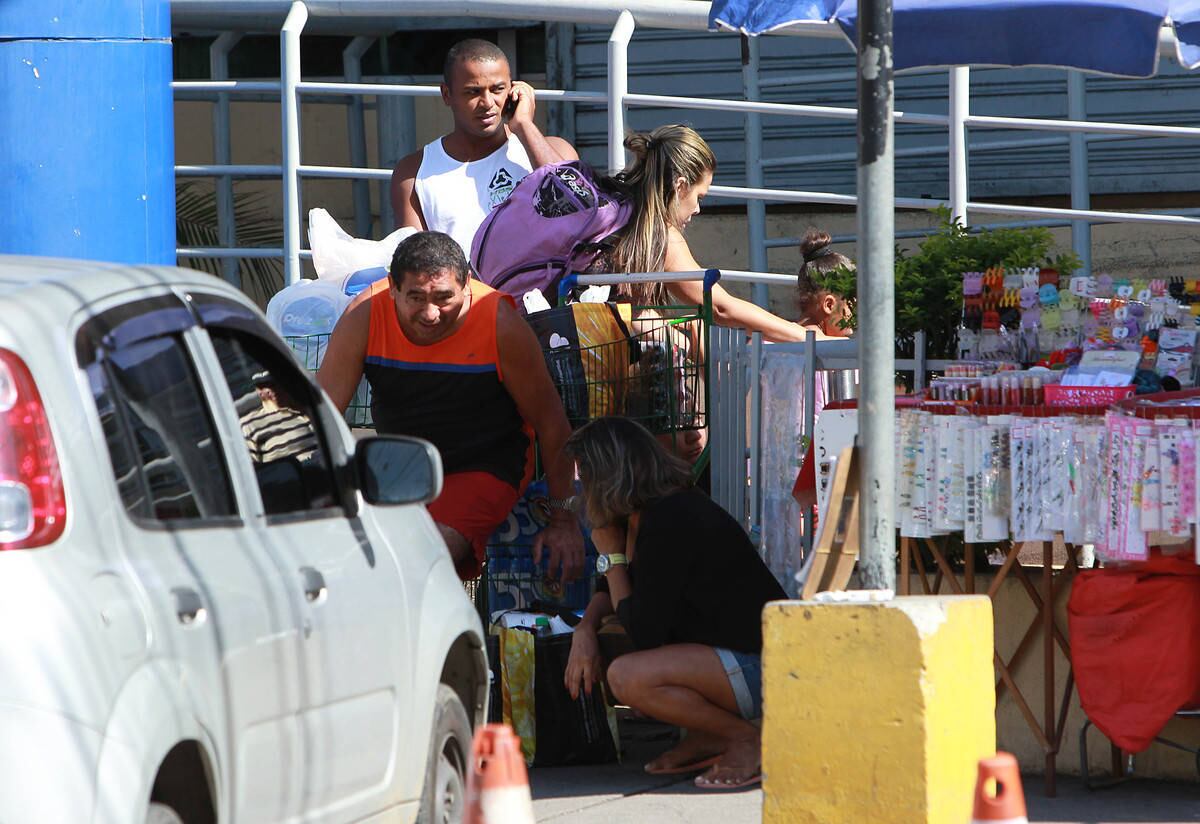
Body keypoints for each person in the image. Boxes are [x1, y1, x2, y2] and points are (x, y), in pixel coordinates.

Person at [316, 231, 584, 582]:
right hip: (401, 467)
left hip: (487, 464)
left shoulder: (500, 323)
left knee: (421, 559)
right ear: (392, 288)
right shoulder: (364, 314)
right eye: (415, 297)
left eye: (444, 298)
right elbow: (320, 417)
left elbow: (552, 424)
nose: (430, 313)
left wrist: (564, 519)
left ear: (467, 286)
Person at [562, 417, 787, 790]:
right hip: (735, 660)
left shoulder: (670, 518)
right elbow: (608, 593)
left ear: (608, 474)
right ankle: (712, 734)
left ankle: (744, 738)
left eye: (584, 473)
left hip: (762, 667)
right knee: (617, 654)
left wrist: (613, 557)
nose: (580, 487)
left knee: (627, 675)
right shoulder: (646, 514)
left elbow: (644, 632)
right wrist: (584, 629)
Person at [600, 124, 816, 343]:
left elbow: (632, 311)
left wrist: (682, 344)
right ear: (680, 186)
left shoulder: (615, 205)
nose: (697, 209)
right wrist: (806, 337)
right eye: (699, 197)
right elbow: (721, 308)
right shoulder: (660, 235)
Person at [389, 38, 578, 255]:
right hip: (462, 288)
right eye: (473, 92)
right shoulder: (412, 173)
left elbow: (577, 209)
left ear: (513, 90)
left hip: (542, 288)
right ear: (447, 94)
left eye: (497, 89)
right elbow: (416, 266)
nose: (488, 103)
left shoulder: (556, 150)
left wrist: (524, 125)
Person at [795, 227, 854, 338]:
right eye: (850, 307)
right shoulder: (835, 350)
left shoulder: (775, 336)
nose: (854, 316)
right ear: (829, 305)